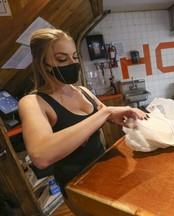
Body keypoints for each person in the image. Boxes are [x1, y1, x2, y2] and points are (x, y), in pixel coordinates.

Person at [18, 28, 147, 203]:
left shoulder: (83, 91)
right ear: (41, 63)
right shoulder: (33, 102)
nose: (72, 63)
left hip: (105, 168)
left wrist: (114, 116)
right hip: (77, 183)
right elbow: (41, 156)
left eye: (75, 57)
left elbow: (99, 115)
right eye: (62, 59)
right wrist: (107, 112)